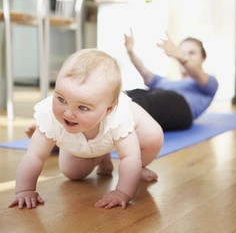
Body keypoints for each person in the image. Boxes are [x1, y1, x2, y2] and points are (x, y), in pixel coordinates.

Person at [9, 49, 164, 210]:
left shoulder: (119, 116)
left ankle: (140, 166)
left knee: (152, 136)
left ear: (108, 109)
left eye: (82, 107)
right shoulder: (50, 114)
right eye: (61, 99)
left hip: (124, 129)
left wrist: (122, 192)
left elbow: (130, 157)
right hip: (86, 136)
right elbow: (34, 155)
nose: (68, 113)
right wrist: (25, 190)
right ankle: (101, 155)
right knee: (73, 173)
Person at [124, 29, 219, 131]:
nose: (185, 56)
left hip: (181, 108)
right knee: (129, 95)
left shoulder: (210, 82)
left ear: (203, 58)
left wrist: (181, 55)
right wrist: (130, 52)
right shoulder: (166, 81)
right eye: (182, 52)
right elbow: (146, 75)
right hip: (155, 96)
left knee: (147, 101)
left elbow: (199, 75)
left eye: (192, 53)